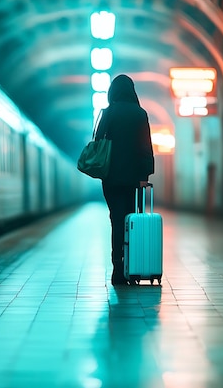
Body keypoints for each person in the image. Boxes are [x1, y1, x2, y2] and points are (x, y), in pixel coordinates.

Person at [94, 74, 155, 286]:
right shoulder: (140, 114)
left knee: (116, 220)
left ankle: (117, 268)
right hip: (132, 179)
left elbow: (97, 140)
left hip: (110, 178)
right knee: (132, 220)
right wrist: (144, 176)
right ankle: (132, 266)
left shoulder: (108, 113)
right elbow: (146, 146)